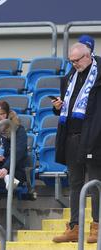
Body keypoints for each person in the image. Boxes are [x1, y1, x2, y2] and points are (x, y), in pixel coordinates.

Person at [52, 42, 101, 244]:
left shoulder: (99, 76)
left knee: (95, 184)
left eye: (77, 61)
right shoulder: (69, 78)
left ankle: (97, 226)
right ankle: (74, 227)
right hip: (71, 136)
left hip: (93, 136)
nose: (74, 65)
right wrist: (58, 107)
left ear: (88, 56)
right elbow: (68, 106)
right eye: (71, 62)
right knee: (74, 184)